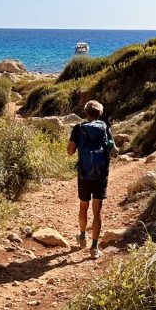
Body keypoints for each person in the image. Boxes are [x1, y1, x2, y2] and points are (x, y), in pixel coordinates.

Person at [67, 100, 117, 259]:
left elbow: (70, 152)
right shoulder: (105, 128)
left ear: (86, 112)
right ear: (100, 113)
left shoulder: (78, 128)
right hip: (101, 174)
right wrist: (110, 144)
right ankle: (94, 248)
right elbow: (115, 153)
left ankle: (82, 236)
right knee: (97, 211)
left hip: (84, 174)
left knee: (83, 206)